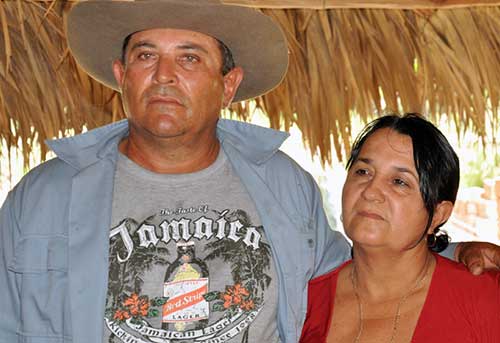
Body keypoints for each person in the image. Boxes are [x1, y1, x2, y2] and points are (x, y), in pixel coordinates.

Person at [0, 1, 498, 342]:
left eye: (189, 58)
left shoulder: (282, 184)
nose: (164, 75)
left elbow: (352, 266)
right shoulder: (40, 198)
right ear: (121, 75)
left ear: (228, 84)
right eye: (145, 55)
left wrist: (453, 252)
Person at [300, 114, 500, 343]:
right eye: (363, 172)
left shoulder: (485, 299)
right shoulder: (304, 303)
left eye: (399, 182)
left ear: (438, 214)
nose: (371, 192)